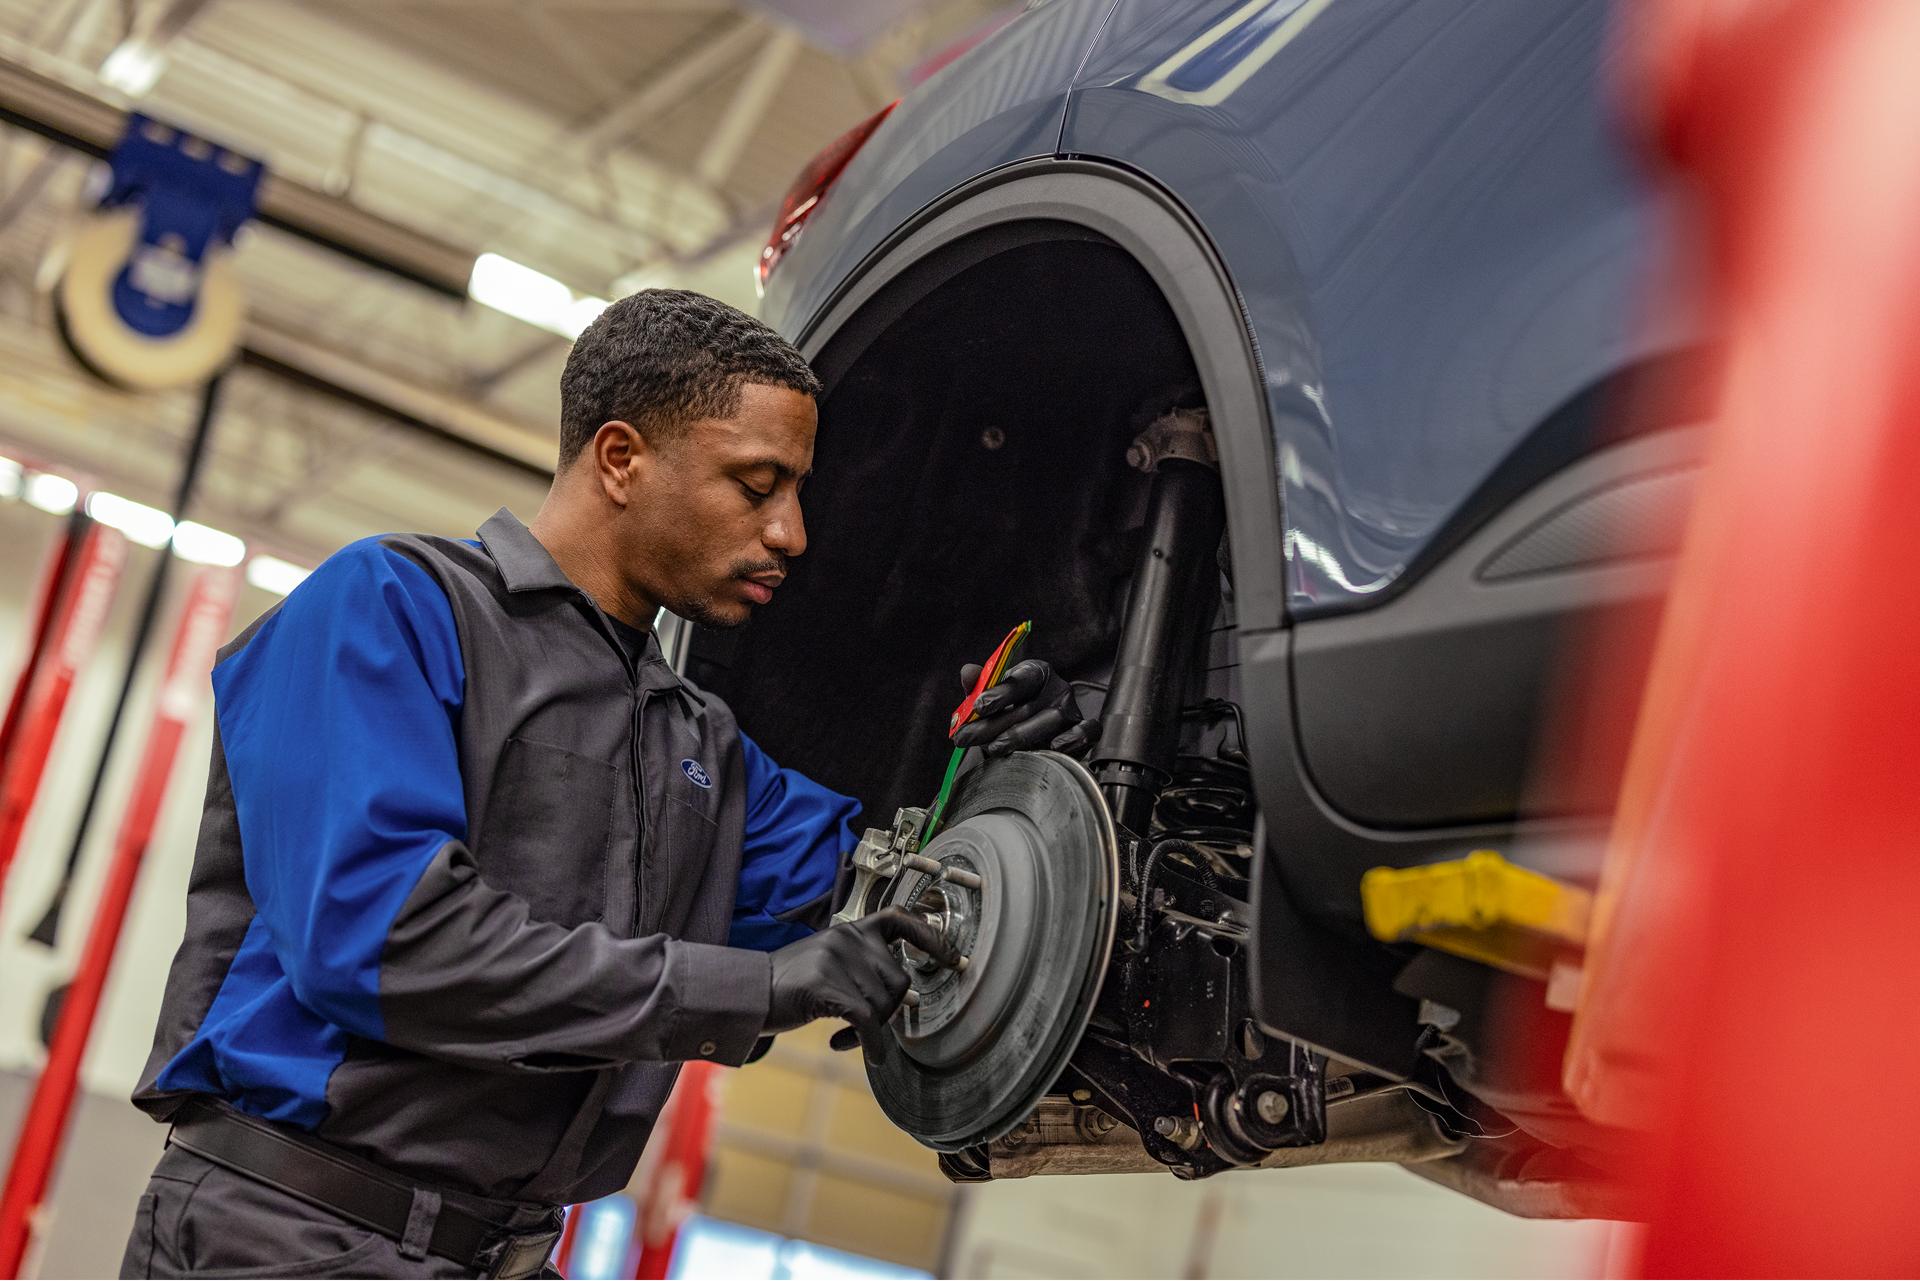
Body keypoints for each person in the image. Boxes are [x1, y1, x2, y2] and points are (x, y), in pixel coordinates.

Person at [118, 290, 1093, 1279]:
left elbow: (889, 871)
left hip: (507, 1253)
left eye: (796, 491)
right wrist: (757, 986)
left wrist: (1016, 747)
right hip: (295, 1237)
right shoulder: (393, 607)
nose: (792, 532)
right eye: (757, 485)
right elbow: (383, 942)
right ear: (621, 459)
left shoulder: (700, 744)